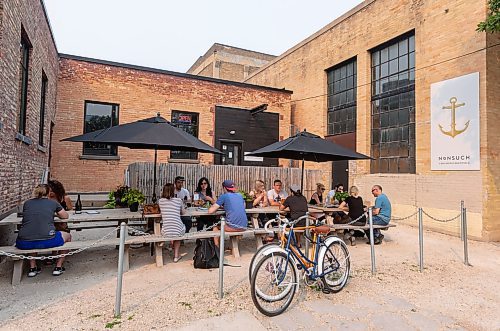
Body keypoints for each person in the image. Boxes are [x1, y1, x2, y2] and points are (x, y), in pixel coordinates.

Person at [16, 184, 71, 277]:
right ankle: (58, 267)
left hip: (23, 242)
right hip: (48, 240)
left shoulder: (27, 203)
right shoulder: (53, 203)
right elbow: (65, 216)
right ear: (49, 193)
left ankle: (33, 268)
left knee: (32, 234)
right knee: (68, 236)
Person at [208, 180, 247, 247]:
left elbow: (210, 211)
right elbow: (243, 206)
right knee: (228, 222)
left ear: (224, 188)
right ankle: (233, 247)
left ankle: (217, 248)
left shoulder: (224, 196)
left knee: (215, 226)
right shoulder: (240, 195)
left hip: (232, 227)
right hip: (244, 226)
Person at [158, 183, 185, 262]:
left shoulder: (160, 201)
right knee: (179, 228)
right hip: (178, 229)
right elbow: (183, 212)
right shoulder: (178, 200)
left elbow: (161, 212)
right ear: (173, 191)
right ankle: (176, 256)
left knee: (171, 228)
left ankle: (170, 245)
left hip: (166, 230)